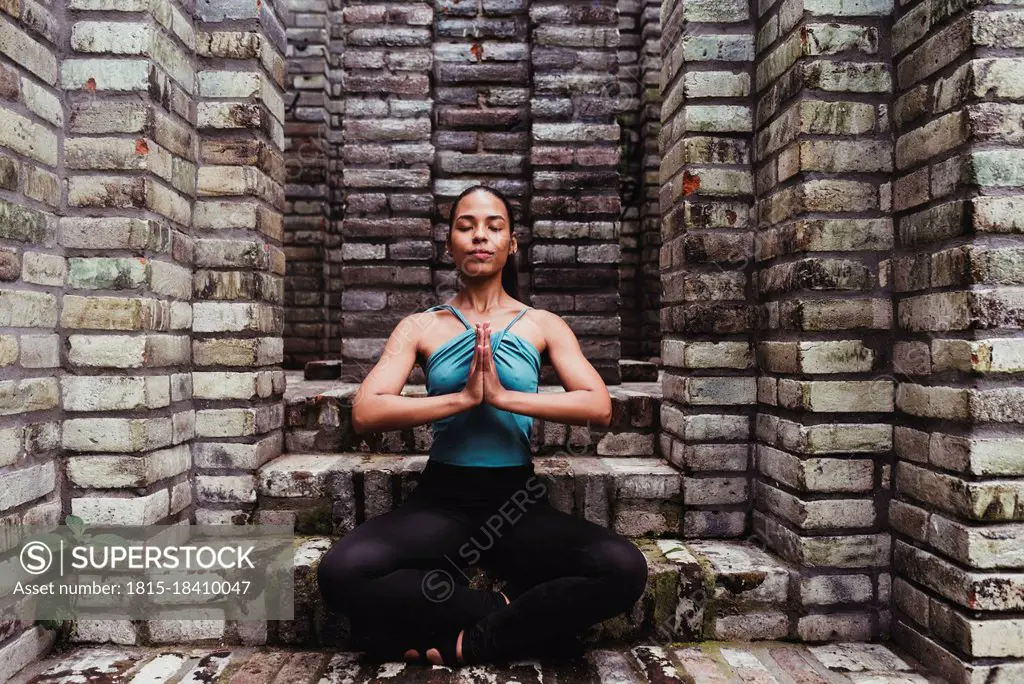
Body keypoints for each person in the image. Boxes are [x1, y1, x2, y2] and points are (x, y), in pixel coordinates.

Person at [316, 184, 649, 666]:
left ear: (511, 243)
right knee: (341, 573)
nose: (480, 237)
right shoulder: (421, 326)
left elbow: (598, 406)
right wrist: (463, 398)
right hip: (443, 500)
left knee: (623, 569)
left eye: (494, 227)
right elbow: (368, 411)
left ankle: (473, 643)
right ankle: (504, 613)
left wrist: (502, 396)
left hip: (517, 505)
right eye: (466, 226)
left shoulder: (542, 324)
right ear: (450, 242)